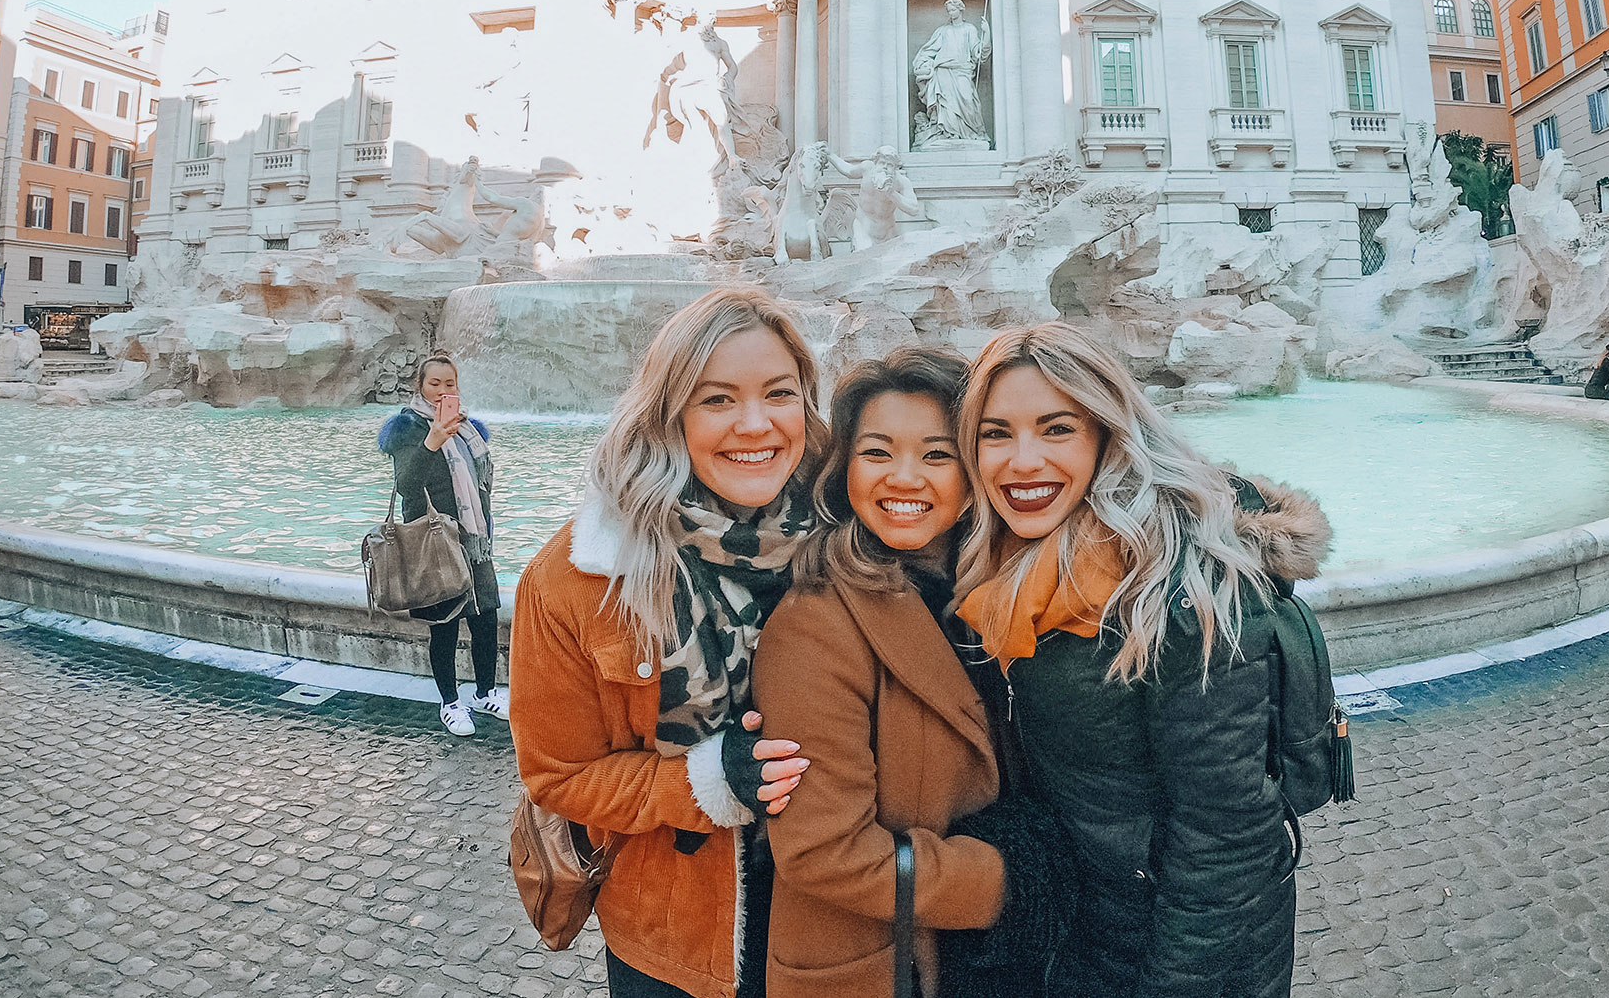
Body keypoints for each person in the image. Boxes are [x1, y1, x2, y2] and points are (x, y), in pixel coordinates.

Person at [953, 321, 1332, 998]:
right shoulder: (1012, 566)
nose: (1022, 461)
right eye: (996, 433)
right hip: (1089, 929)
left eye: (1057, 429)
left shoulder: (1185, 589)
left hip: (1178, 953)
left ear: (1107, 435)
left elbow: (1229, 843)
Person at [509, 287, 826, 998]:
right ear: (670, 414)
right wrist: (707, 782)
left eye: (778, 393)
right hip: (676, 939)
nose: (756, 424)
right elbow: (557, 776)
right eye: (717, 400)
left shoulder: (852, 538)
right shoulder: (578, 576)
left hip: (841, 915)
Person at [755, 348, 1029, 997]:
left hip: (981, 962)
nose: (905, 478)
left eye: (937, 455)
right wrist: (1013, 880)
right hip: (883, 966)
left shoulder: (1003, 592)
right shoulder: (814, 622)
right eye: (877, 453)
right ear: (843, 467)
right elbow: (822, 851)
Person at [378, 353, 505, 735]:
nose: (442, 391)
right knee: (445, 625)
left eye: (449, 384)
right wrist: (432, 441)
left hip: (474, 540)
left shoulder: (468, 429)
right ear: (420, 385)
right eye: (435, 384)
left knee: (485, 620)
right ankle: (450, 703)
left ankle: (485, 692)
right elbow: (406, 485)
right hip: (435, 541)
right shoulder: (406, 428)